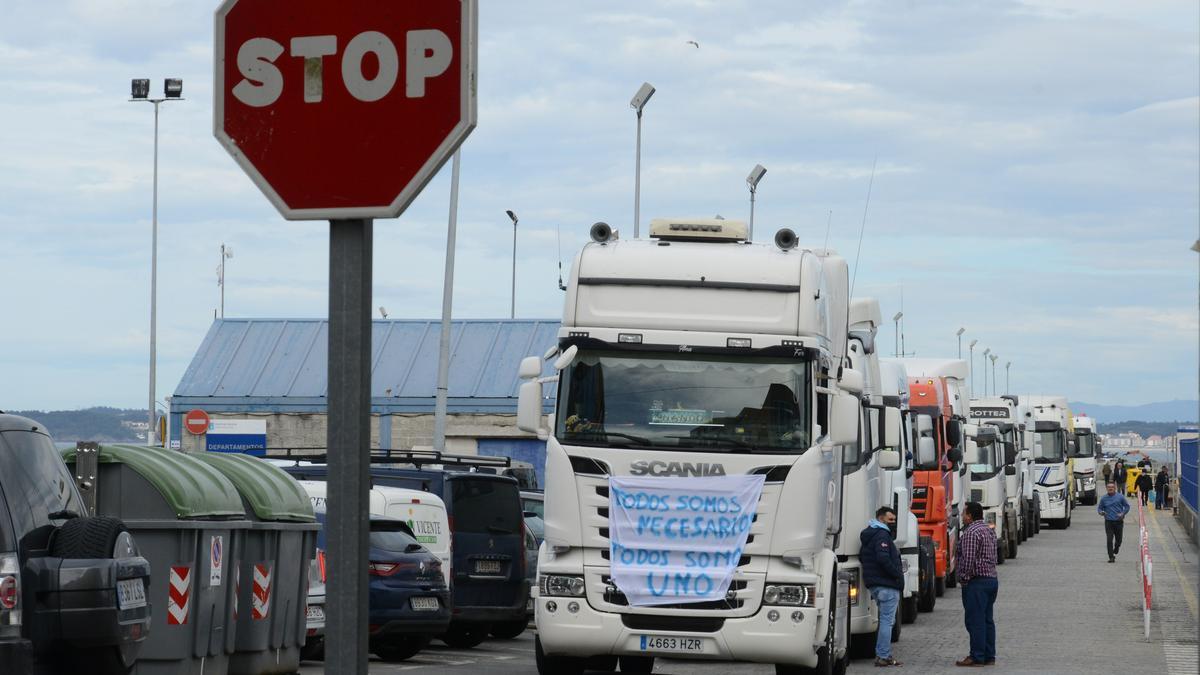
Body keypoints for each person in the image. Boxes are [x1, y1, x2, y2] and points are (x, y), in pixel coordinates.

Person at [860, 506, 904, 667]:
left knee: (884, 620)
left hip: (875, 584)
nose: (893, 523)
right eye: (890, 520)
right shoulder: (882, 535)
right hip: (887, 584)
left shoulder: (870, 534)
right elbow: (883, 558)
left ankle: (881, 654)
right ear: (881, 519)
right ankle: (883, 656)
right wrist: (897, 575)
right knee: (887, 621)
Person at [955, 501, 998, 668]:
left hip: (977, 582)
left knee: (975, 620)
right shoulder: (989, 530)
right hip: (991, 580)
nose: (962, 517)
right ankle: (989, 655)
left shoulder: (971, 532)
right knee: (987, 619)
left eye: (964, 513)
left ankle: (977, 656)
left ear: (970, 515)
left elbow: (969, 559)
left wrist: (963, 578)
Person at [1097, 482, 1130, 563]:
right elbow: (1099, 508)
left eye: (1112, 487)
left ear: (1115, 488)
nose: (1110, 488)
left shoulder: (1120, 497)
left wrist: (1122, 513)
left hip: (1118, 522)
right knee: (1109, 540)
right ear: (1107, 488)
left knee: (1119, 540)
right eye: (1109, 487)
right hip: (1108, 522)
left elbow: (1127, 506)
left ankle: (1116, 547)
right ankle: (1111, 557)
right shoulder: (1104, 498)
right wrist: (1101, 512)